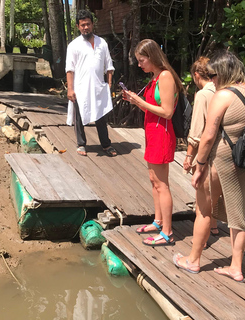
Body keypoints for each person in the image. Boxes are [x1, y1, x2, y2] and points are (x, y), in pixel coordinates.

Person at [173, 49, 245, 278]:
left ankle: (193, 260)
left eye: (214, 75)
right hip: (244, 158)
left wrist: (199, 164)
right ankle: (236, 267)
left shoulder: (223, 95)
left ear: (224, 71)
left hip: (220, 159)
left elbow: (208, 135)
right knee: (238, 214)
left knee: (204, 211)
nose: (212, 80)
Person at [122, 39, 183, 246]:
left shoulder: (165, 76)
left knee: (162, 184)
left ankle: (167, 232)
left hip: (162, 134)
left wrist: (139, 101)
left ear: (153, 57)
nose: (139, 65)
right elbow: (150, 109)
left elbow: (167, 112)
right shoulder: (154, 77)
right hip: (152, 133)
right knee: (153, 181)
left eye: (142, 60)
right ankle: (158, 221)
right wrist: (135, 101)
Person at [66, 9, 117, 157]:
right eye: (82, 25)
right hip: (80, 87)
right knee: (80, 116)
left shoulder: (102, 43)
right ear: (78, 26)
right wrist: (70, 89)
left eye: (88, 24)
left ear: (92, 24)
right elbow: (69, 69)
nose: (85, 27)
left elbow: (109, 66)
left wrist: (108, 84)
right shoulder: (74, 46)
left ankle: (106, 144)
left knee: (101, 116)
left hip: (98, 86)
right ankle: (81, 144)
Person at [182, 56, 218, 241]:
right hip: (222, 152)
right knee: (212, 193)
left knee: (201, 199)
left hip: (205, 153)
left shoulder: (203, 94)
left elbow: (196, 132)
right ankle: (214, 227)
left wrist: (189, 156)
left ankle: (200, 241)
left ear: (196, 75)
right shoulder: (222, 90)